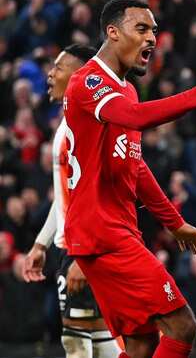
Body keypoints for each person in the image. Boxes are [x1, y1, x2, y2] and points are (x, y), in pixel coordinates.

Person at [62, 0, 196, 358]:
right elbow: (133, 117)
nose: (152, 38)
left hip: (112, 230)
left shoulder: (126, 89)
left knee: (141, 343)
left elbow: (136, 165)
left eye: (155, 30)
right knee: (182, 326)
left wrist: (174, 223)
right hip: (102, 233)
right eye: (142, 28)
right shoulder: (87, 82)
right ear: (112, 32)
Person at [23, 44, 123, 358]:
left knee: (78, 342)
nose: (50, 74)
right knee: (98, 338)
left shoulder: (85, 127)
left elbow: (102, 192)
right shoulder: (68, 124)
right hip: (77, 246)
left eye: (58, 67)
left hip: (87, 247)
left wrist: (85, 254)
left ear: (79, 76)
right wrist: (42, 243)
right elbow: (69, 197)